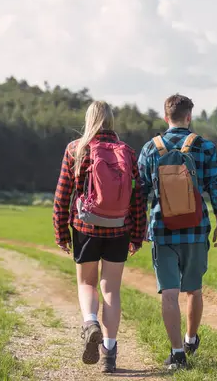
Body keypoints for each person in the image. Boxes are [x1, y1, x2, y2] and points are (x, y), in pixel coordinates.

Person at [53, 100, 146, 373]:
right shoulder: (127, 152)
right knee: (111, 289)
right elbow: (137, 198)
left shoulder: (76, 149)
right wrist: (137, 235)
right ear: (111, 120)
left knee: (87, 283)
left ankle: (90, 322)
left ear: (89, 119)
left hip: (85, 228)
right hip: (120, 227)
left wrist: (61, 232)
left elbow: (62, 195)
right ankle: (109, 352)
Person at [138, 93, 217, 370]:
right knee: (194, 290)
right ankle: (190, 338)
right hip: (196, 229)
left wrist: (141, 226)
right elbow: (216, 188)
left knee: (169, 293)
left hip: (162, 229)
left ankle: (177, 354)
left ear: (166, 117)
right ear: (189, 117)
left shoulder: (150, 148)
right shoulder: (205, 146)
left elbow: (140, 192)